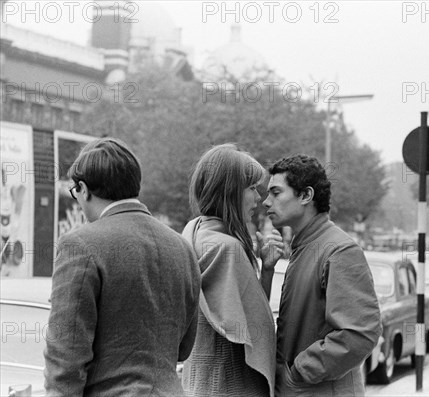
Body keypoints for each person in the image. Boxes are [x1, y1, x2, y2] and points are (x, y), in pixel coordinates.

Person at [44, 138, 201, 396]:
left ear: (83, 189)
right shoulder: (182, 247)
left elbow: (65, 357)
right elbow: (184, 348)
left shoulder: (80, 244)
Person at [263, 154, 382, 396]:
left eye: (276, 193)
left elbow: (359, 334)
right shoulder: (305, 245)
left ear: (306, 195)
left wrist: (299, 372)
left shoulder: (339, 250)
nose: (266, 202)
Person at [182, 144, 284, 397]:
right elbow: (253, 330)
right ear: (229, 191)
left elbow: (238, 311)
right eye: (251, 188)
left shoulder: (193, 235)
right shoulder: (228, 250)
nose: (259, 198)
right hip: (229, 385)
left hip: (197, 383)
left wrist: (266, 270)